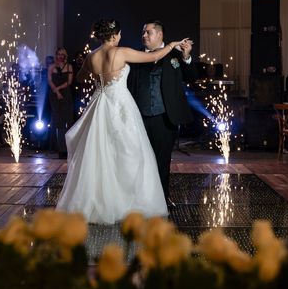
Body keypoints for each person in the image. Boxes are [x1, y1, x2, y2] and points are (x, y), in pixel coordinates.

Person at [56, 19, 189, 223]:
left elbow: (81, 78)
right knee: (129, 153)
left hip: (99, 104)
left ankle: (98, 200)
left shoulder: (91, 56)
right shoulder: (121, 52)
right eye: (119, 34)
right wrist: (171, 45)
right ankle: (127, 201)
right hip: (120, 105)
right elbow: (153, 56)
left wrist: (97, 78)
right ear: (115, 35)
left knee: (99, 153)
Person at [127, 20, 196, 204]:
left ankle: (162, 199)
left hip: (165, 116)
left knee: (162, 160)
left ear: (160, 35)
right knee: (139, 160)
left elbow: (192, 78)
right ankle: (140, 200)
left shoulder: (176, 54)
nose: (144, 36)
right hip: (139, 116)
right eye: (143, 32)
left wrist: (187, 57)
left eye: (148, 32)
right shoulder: (136, 56)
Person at [47, 47, 74, 158]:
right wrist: (56, 91)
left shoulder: (69, 66)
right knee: (57, 121)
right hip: (54, 96)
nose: (60, 56)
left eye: (62, 54)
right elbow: (49, 80)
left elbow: (69, 81)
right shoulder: (51, 67)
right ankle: (59, 149)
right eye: (58, 54)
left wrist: (59, 89)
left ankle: (69, 148)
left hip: (65, 95)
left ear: (65, 56)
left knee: (68, 120)